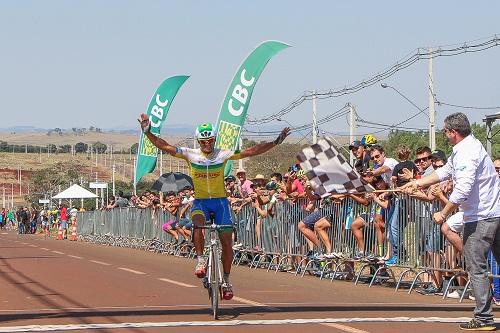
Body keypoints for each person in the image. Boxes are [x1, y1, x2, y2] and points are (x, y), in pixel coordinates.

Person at [138, 113, 290, 300]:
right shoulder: (190, 154)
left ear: (214, 139)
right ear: (198, 142)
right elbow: (165, 146)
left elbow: (252, 151)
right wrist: (147, 133)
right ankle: (201, 259)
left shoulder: (223, 154)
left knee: (227, 244)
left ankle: (226, 280)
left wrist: (275, 142)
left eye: (209, 141)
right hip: (201, 201)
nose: (206, 144)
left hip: (220, 203)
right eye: (203, 142)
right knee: (197, 223)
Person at [402, 112, 500, 331]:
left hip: (480, 217)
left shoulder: (466, 152)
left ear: (453, 132)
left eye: (446, 131)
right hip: (492, 213)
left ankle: (484, 318)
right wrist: (418, 184)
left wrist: (444, 212)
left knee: (477, 268)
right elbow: (446, 172)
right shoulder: (468, 147)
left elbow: (463, 188)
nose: (445, 135)